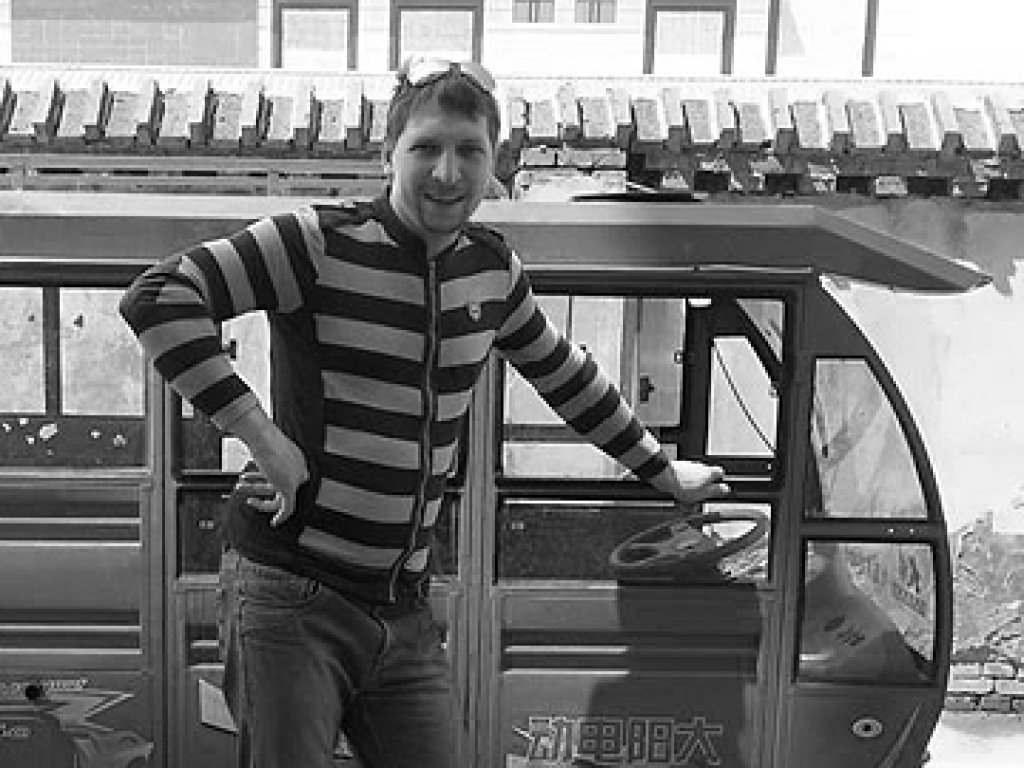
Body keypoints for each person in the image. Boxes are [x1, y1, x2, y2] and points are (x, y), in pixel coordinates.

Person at [119, 57, 729, 768]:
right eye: (426, 148)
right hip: (293, 593)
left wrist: (661, 470)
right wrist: (263, 438)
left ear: (494, 161)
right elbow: (158, 297)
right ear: (388, 154)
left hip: (402, 607)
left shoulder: (492, 270)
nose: (447, 172)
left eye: (469, 150)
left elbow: (564, 375)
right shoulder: (316, 243)